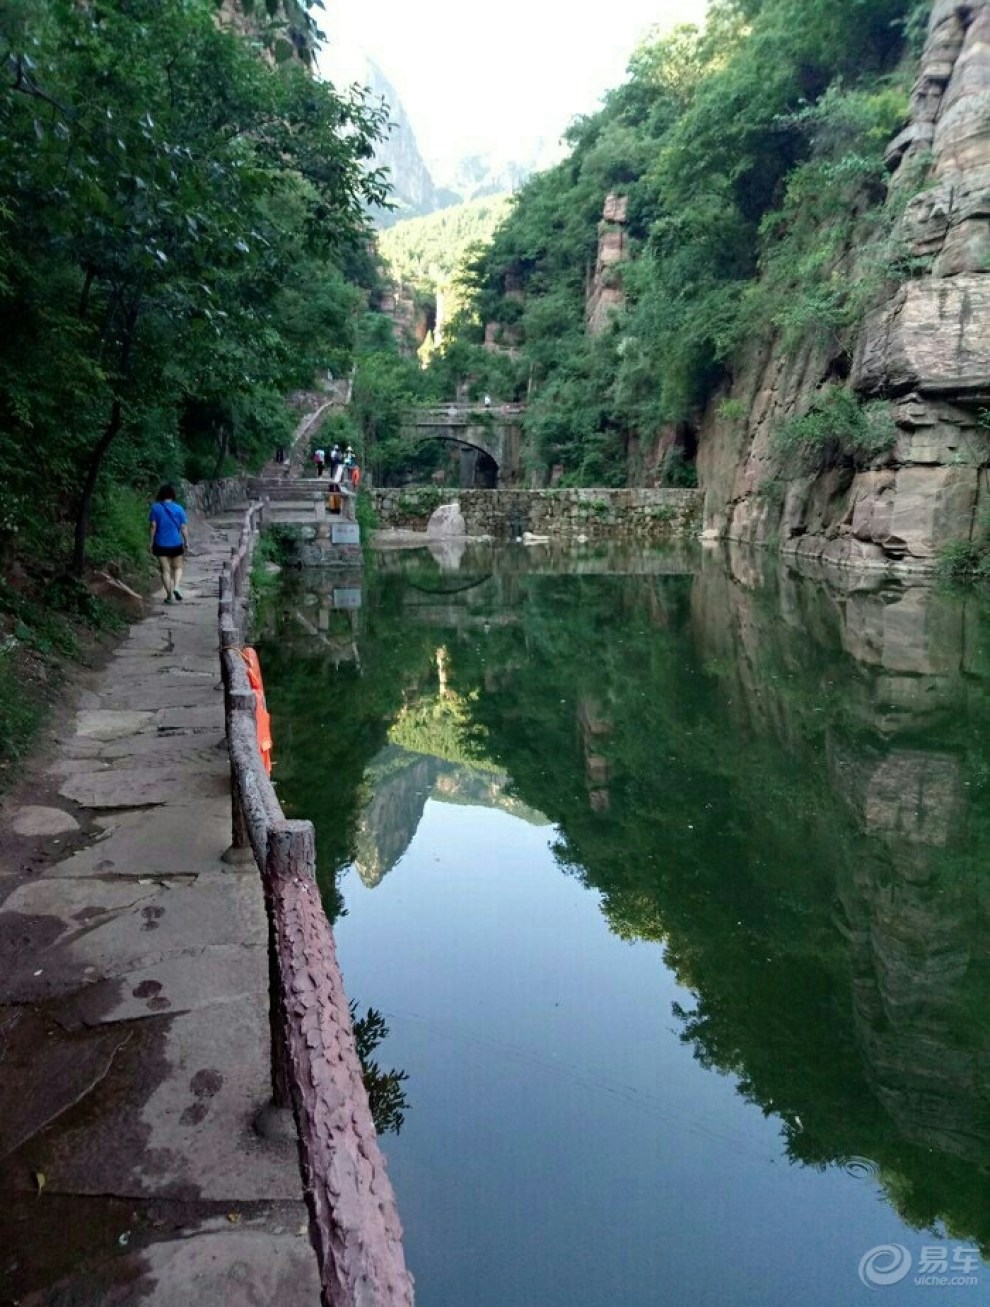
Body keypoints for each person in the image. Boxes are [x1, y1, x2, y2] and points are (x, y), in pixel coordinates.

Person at [149, 484, 189, 604]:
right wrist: (186, 542)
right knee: (178, 567)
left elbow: (153, 526)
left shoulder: (155, 508)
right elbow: (183, 527)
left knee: (165, 571)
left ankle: (169, 596)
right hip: (176, 543)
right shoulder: (179, 509)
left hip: (160, 544)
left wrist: (151, 542)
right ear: (172, 495)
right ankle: (177, 586)